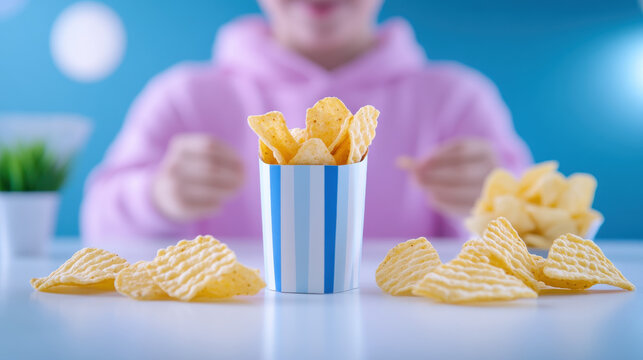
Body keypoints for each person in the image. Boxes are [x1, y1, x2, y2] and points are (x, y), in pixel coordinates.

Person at [81, 0, 531, 243]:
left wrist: (494, 202)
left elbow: (542, 235)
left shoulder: (455, 99)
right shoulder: (185, 97)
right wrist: (156, 196)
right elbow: (97, 226)